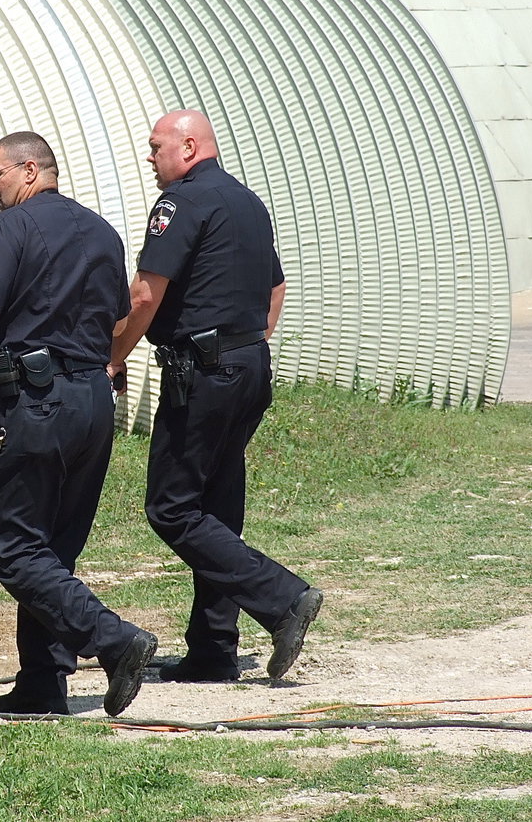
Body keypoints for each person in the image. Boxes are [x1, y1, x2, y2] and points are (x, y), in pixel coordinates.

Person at [0, 131, 158, 717]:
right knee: (53, 549)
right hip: (92, 402)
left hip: (36, 404)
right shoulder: (101, 231)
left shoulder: (9, 229)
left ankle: (114, 640)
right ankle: (42, 686)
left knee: (13, 547)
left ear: (28, 170)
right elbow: (119, 319)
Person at [108, 109, 322, 683]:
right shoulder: (248, 202)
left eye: (156, 146)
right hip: (247, 365)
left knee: (173, 508)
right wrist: (244, 343)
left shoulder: (181, 202)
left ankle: (283, 599)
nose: (150, 157)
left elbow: (145, 294)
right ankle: (213, 650)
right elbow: (276, 287)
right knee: (217, 511)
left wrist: (114, 356)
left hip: (204, 373)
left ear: (188, 147)